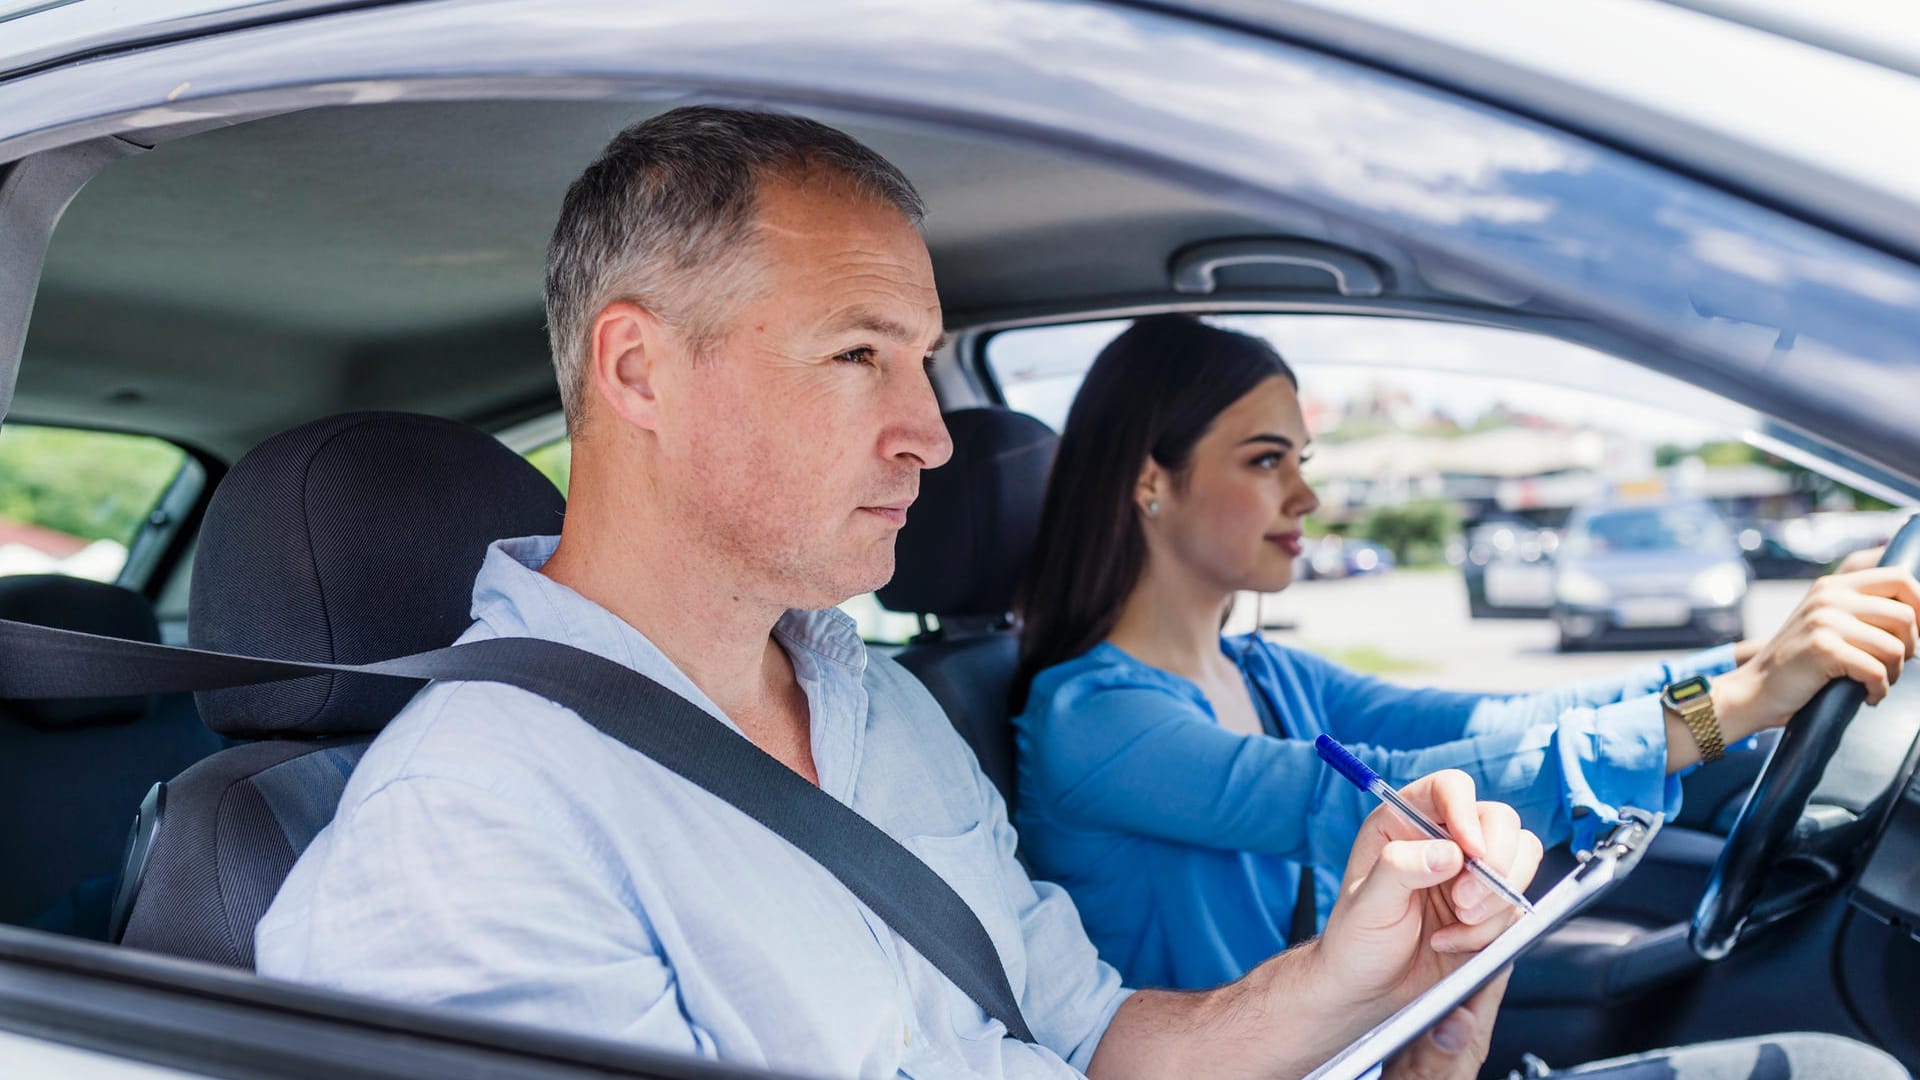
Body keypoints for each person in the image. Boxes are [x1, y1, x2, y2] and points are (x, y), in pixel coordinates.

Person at [253, 107, 1537, 1080]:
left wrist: (1361, 983)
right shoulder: (465, 837)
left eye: (920, 361)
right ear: (639, 372)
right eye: (859, 354)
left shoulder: (885, 710)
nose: (930, 432)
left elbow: (1088, 1041)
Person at [1011, 315, 1914, 1071]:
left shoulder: (1263, 672)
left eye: (1302, 460)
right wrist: (1736, 707)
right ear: (1148, 480)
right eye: (1265, 461)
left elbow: (1497, 724)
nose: (1308, 496)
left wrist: (1752, 662)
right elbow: (1383, 797)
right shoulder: (1092, 719)